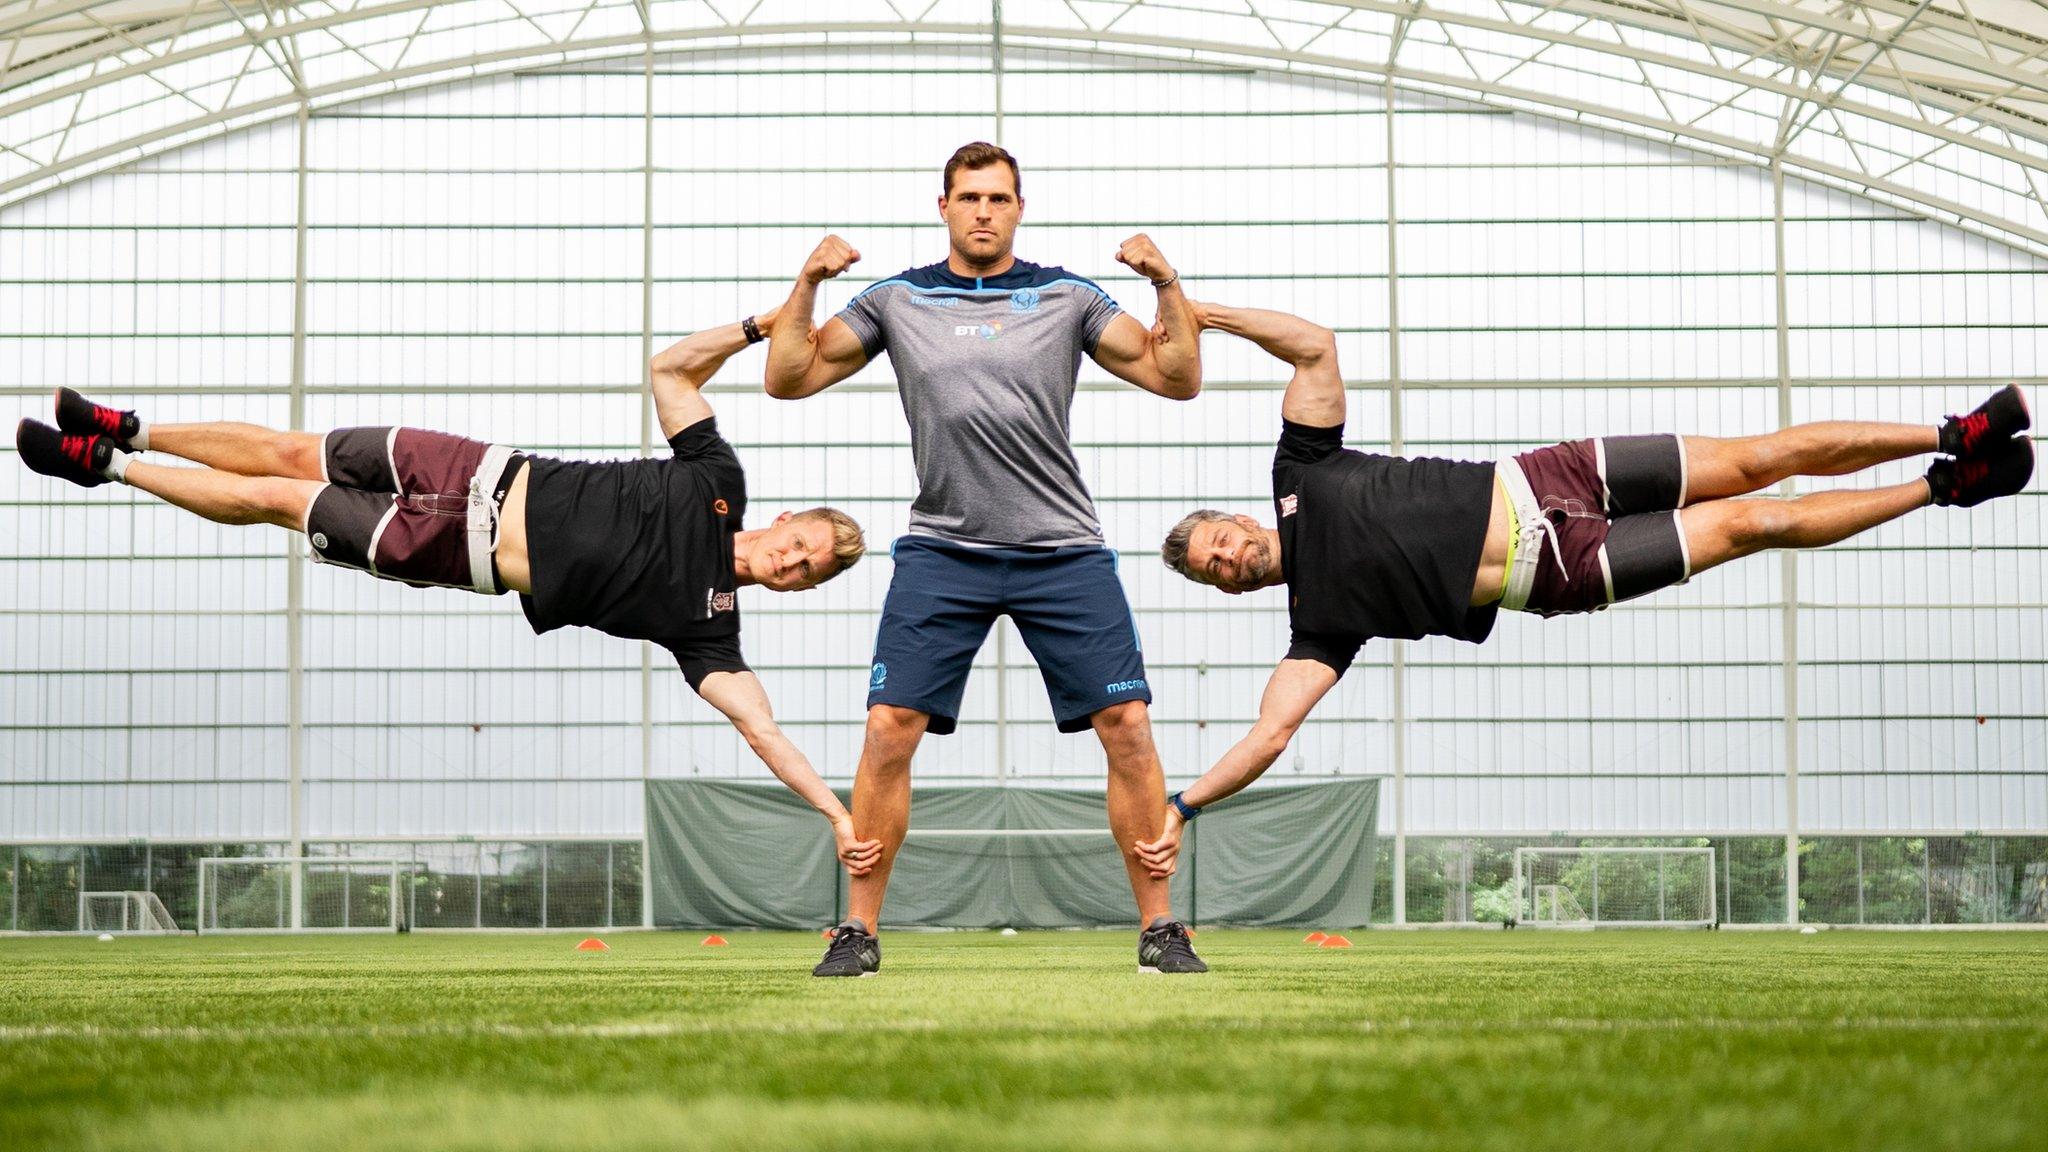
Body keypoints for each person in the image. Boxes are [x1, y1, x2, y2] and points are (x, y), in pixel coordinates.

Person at [1137, 301, 2033, 873]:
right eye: (1217, 570)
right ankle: (1945, 488)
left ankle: (1954, 432)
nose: (1229, 559)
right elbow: (1271, 733)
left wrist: (1195, 311)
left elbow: (1315, 347)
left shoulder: (1301, 466)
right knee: (1756, 524)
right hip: (1561, 572)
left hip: (1548, 477)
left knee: (1757, 459)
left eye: (1222, 541)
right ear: (1231, 591)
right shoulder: (1317, 626)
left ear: (1243, 522)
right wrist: (1184, 804)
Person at [17, 309, 884, 876]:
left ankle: (111, 468)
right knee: (291, 451)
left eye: (806, 571)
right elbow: (671, 373)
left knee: (278, 501)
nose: (790, 562)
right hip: (471, 467)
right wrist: (764, 322)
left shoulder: (708, 631)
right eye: (797, 543)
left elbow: (761, 729)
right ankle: (125, 425)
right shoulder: (716, 477)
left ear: (800, 587)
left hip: (450, 547)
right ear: (783, 519)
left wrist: (836, 817)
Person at [765, 141, 1209, 975]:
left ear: (1018, 209)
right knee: (888, 730)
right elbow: (788, 378)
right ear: (942, 207)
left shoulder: (1068, 296)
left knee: (1129, 727)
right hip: (943, 548)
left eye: (998, 198)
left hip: (1062, 549)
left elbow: (1176, 377)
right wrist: (808, 283)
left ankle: (1159, 928)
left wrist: (1166, 284)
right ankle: (857, 931)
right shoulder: (896, 299)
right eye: (968, 197)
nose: (982, 211)